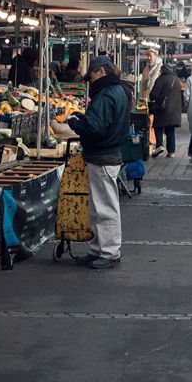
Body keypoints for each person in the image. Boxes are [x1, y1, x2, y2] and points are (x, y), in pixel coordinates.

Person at [65, 56, 132, 269]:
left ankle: (110, 252)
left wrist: (76, 123)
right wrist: (83, 119)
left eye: (91, 74)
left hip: (103, 157)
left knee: (105, 208)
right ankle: (98, 250)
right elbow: (102, 123)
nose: (90, 80)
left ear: (101, 72)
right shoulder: (117, 90)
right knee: (97, 208)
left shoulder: (106, 94)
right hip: (105, 155)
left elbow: (96, 129)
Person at [149, 64, 184, 158]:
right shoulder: (176, 80)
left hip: (162, 109)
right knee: (170, 130)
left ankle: (159, 145)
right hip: (174, 110)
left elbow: (154, 95)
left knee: (158, 127)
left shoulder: (160, 79)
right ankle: (171, 152)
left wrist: (152, 97)